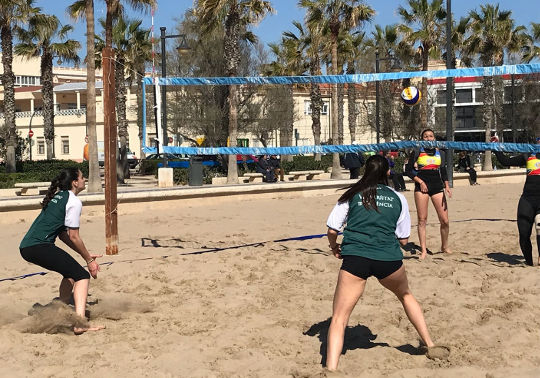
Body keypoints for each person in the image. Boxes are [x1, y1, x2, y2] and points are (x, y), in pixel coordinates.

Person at [325, 155, 442, 371]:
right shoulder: (398, 198)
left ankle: (331, 369)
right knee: (406, 295)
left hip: (356, 258)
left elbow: (332, 229)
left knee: (339, 318)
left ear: (364, 171)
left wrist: (334, 248)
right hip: (388, 259)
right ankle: (430, 344)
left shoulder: (351, 194)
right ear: (388, 173)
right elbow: (404, 239)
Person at [19, 168, 104, 334]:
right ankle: (80, 324)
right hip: (39, 246)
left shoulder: (59, 196)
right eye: (82, 177)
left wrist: (84, 254)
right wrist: (89, 260)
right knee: (82, 275)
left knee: (71, 274)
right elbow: (74, 237)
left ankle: (58, 310)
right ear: (75, 182)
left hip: (28, 246)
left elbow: (62, 235)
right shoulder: (73, 201)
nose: (84, 179)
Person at [492, 136, 540, 266]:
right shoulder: (529, 155)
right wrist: (496, 148)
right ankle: (529, 263)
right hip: (528, 198)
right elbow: (505, 161)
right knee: (524, 235)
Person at [405, 129, 452, 259]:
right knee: (422, 220)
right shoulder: (417, 151)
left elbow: (443, 170)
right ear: (421, 139)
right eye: (425, 136)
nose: (428, 138)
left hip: (437, 185)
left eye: (431, 136)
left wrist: (447, 185)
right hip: (422, 186)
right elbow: (408, 171)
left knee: (445, 220)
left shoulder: (440, 152)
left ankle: (444, 246)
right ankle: (424, 250)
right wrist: (420, 181)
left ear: (434, 138)